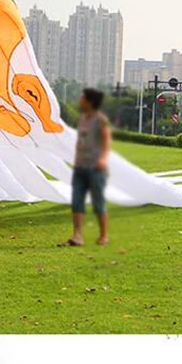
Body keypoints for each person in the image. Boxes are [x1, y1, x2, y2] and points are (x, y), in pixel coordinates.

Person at [67, 87, 111, 246]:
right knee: (77, 201)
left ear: (90, 101)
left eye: (82, 98)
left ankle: (104, 235)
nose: (80, 100)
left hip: (95, 168)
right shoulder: (82, 119)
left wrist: (102, 159)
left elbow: (106, 141)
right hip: (80, 167)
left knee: (98, 202)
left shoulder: (100, 120)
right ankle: (77, 235)